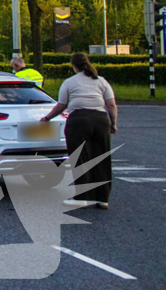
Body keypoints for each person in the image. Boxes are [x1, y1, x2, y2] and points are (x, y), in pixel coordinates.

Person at [40, 52, 116, 210]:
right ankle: (103, 198)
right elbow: (111, 104)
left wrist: (47, 118)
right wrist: (113, 123)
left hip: (78, 121)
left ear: (74, 66)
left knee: (80, 158)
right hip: (101, 120)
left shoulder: (69, 82)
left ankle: (82, 197)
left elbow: (61, 106)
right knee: (101, 158)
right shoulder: (101, 81)